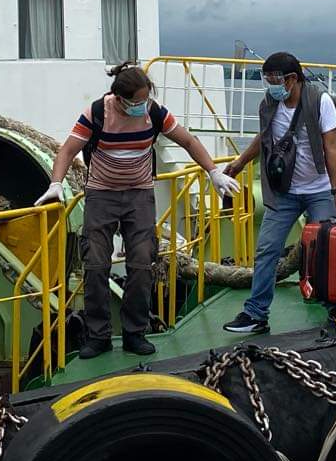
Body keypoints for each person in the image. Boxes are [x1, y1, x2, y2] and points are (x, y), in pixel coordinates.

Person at [40, 62, 241, 358]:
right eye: (136, 102)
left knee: (142, 262)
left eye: (145, 99)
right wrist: (56, 183)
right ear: (118, 98)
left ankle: (136, 332)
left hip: (139, 195)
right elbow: (68, 149)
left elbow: (188, 140)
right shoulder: (97, 113)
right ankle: (98, 337)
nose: (141, 106)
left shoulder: (154, 113)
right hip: (101, 195)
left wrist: (213, 172)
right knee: (95, 264)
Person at [219, 52, 336, 336]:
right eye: (267, 80)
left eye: (275, 80)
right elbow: (263, 138)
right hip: (284, 193)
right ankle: (256, 314)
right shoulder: (269, 103)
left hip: (319, 191)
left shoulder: (319, 101)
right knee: (266, 250)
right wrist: (240, 163)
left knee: (326, 254)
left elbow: (331, 146)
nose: (271, 86)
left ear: (292, 79)